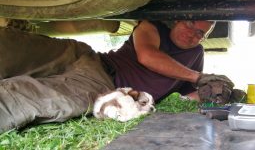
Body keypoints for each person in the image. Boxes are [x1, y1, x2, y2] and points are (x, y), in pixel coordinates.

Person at [0, 19, 226, 133]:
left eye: (200, 33)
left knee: (34, 99)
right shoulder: (152, 26)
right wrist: (198, 77)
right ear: (178, 19)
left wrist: (217, 94)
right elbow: (147, 56)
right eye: (190, 24)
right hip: (90, 57)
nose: (192, 34)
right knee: (13, 48)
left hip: (103, 85)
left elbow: (189, 93)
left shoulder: (196, 54)